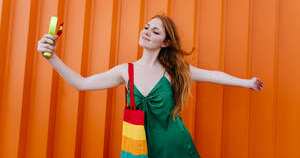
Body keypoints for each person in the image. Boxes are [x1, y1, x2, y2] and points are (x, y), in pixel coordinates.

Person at [37, 13, 264, 157]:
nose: (147, 32)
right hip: (138, 148)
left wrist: (247, 82)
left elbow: (214, 75)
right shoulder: (125, 71)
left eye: (155, 31)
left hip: (173, 147)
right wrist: (51, 58)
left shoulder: (174, 72)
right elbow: (82, 84)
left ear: (165, 42)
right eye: (146, 27)